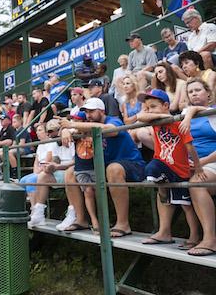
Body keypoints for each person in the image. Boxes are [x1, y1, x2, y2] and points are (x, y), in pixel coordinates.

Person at [61, 97, 146, 237]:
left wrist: (70, 126)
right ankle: (81, 219)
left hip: (132, 164)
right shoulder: (88, 121)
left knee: (113, 169)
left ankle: (123, 224)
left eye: (92, 112)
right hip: (106, 167)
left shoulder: (113, 120)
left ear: (101, 111)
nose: (88, 115)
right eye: (86, 112)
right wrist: (65, 130)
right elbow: (68, 125)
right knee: (71, 172)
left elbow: (110, 130)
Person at [136, 89, 204, 247]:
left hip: (180, 170)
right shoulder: (156, 121)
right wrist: (160, 116)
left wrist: (198, 167)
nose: (149, 111)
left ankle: (194, 237)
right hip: (164, 165)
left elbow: (190, 147)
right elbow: (140, 116)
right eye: (148, 108)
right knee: (152, 168)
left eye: (153, 106)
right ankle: (163, 192)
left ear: (166, 105)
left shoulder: (177, 122)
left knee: (186, 205)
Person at [179, 78, 216, 256]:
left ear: (208, 93)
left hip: (211, 162)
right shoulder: (184, 115)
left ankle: (210, 239)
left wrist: (203, 162)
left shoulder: (214, 113)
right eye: (190, 92)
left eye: (198, 90)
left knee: (197, 183)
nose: (194, 94)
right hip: (193, 164)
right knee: (161, 179)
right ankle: (167, 232)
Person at [29, 119, 75, 227]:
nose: (50, 134)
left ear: (60, 131)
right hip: (61, 170)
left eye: (53, 131)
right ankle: (39, 213)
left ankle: (73, 214)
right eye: (49, 132)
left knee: (69, 173)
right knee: (42, 176)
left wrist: (57, 166)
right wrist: (49, 167)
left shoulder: (71, 139)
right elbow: (55, 160)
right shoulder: (54, 141)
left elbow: (75, 162)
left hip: (73, 170)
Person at [19, 124, 55, 206]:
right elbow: (36, 161)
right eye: (37, 131)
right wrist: (36, 171)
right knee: (22, 181)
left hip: (47, 170)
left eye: (40, 130)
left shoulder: (51, 143)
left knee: (30, 180)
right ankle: (23, 208)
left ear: (46, 132)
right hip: (39, 170)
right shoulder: (40, 145)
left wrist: (39, 171)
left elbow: (48, 160)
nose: (37, 133)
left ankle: (34, 208)